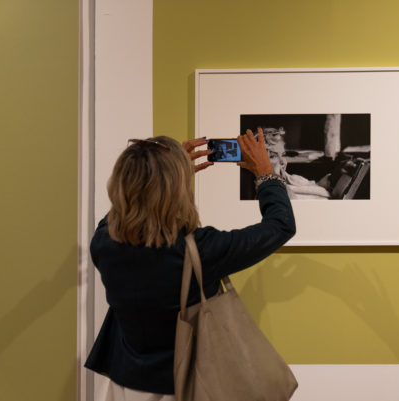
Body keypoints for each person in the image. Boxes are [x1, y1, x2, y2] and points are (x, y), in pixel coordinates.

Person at [84, 129, 296, 400]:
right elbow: (280, 225)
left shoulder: (104, 244)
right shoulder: (200, 250)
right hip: (186, 388)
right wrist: (266, 173)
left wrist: (161, 178)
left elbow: (122, 210)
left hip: (125, 385)